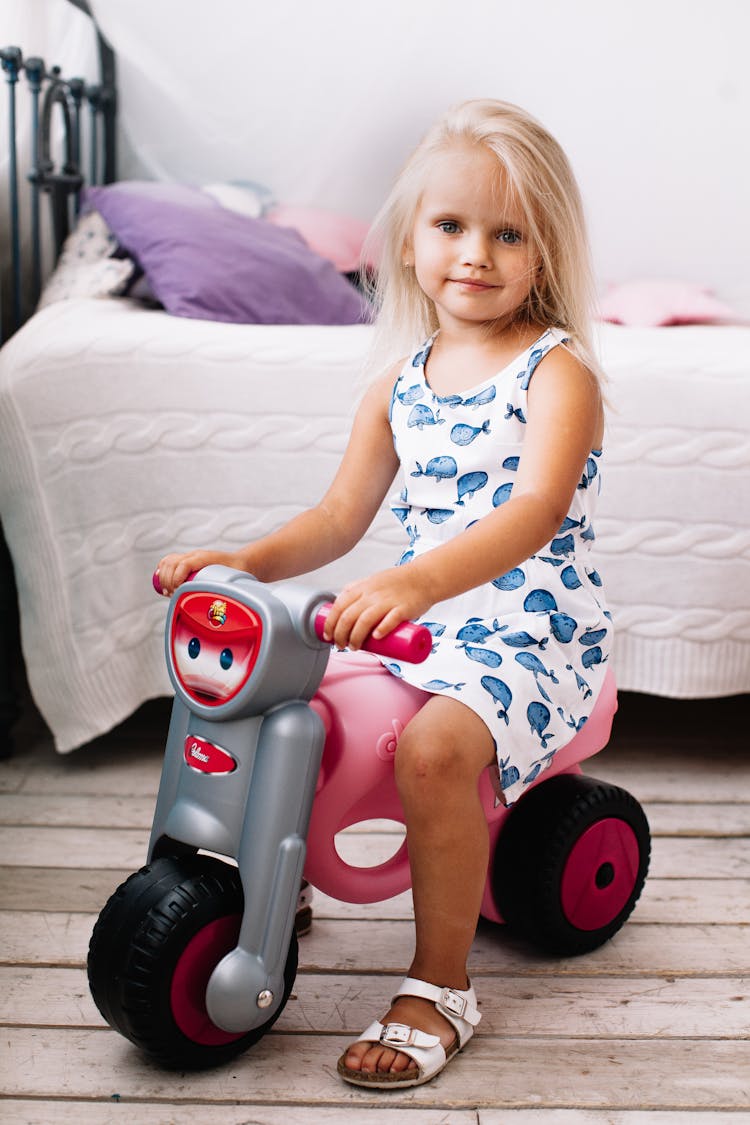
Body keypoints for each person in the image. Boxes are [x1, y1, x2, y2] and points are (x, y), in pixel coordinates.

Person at [156, 97, 612, 1089]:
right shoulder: (397, 385)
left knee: (439, 750)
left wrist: (413, 580)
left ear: (545, 253)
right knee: (293, 705)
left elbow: (531, 512)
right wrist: (239, 561)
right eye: (452, 225)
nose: (476, 253)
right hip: (429, 619)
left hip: (531, 629)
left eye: (509, 233)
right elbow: (334, 519)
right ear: (409, 243)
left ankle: (439, 984)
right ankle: (271, 879)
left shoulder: (556, 371)